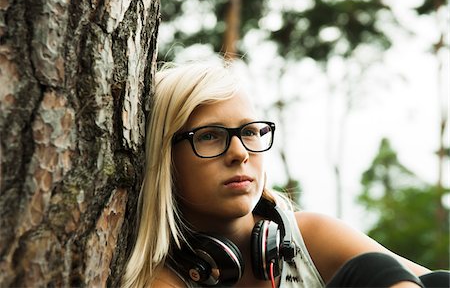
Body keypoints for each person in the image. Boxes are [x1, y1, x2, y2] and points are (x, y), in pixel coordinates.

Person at [122, 59, 449, 288]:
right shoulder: (163, 281)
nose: (240, 153)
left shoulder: (310, 237)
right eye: (209, 135)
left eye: (250, 132)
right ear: (165, 158)